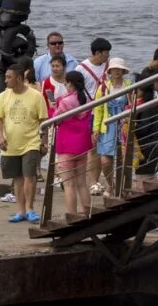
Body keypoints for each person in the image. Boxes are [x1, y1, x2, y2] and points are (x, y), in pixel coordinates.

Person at [0, 62, 48, 223]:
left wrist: (43, 142)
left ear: (18, 78)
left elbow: (43, 121)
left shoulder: (35, 96)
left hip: (31, 142)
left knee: (29, 175)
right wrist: (0, 137)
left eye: (9, 77)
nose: (6, 81)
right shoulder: (3, 96)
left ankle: (30, 209)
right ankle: (21, 210)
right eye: (5, 77)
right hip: (10, 144)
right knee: (17, 178)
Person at [53, 70, 93, 216]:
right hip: (82, 145)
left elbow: (55, 120)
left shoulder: (65, 102)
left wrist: (53, 109)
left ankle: (72, 215)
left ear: (70, 83)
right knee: (82, 183)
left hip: (66, 146)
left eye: (66, 83)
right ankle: (87, 213)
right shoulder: (87, 99)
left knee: (68, 184)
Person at [92, 57, 131, 196]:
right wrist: (96, 129)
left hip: (124, 126)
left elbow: (132, 105)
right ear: (110, 70)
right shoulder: (103, 87)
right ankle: (110, 184)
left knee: (123, 158)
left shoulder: (129, 85)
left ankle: (123, 187)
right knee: (105, 160)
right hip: (107, 127)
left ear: (123, 71)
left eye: (119, 68)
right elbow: (98, 110)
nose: (116, 71)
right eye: (114, 68)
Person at [78, 37, 111, 191]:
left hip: (107, 111)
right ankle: (92, 182)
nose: (107, 57)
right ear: (97, 53)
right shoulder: (81, 69)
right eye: (105, 54)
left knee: (105, 147)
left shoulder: (110, 67)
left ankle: (98, 181)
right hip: (89, 112)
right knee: (93, 147)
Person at [135, 47, 158, 180]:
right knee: (149, 152)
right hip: (146, 118)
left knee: (152, 151)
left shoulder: (157, 74)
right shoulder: (146, 75)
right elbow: (145, 95)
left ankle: (149, 177)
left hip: (150, 121)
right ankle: (146, 179)